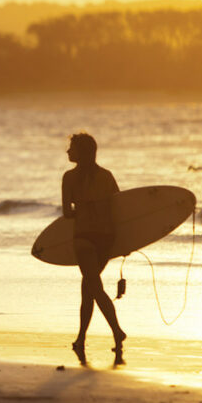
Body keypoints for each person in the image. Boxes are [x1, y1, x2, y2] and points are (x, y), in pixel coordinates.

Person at [62, 133, 127, 366]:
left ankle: (118, 331)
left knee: (94, 287)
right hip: (106, 239)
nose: (68, 152)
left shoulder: (69, 178)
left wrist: (81, 210)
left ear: (82, 152)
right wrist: (127, 242)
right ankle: (80, 338)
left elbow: (67, 213)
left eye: (72, 148)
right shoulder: (107, 176)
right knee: (88, 287)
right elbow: (120, 208)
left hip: (84, 238)